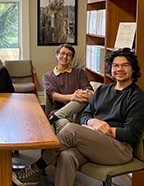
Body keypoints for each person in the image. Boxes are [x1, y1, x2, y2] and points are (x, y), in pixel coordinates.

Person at [12, 48, 144, 186]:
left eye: (125, 65)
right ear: (111, 69)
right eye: (115, 65)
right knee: (66, 156)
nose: (120, 69)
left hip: (119, 149)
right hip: (97, 143)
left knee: (71, 130)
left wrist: (103, 129)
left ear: (133, 69)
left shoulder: (137, 97)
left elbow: (131, 133)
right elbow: (86, 115)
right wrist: (94, 122)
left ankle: (36, 168)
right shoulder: (102, 90)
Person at [43, 43, 94, 134]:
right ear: (56, 55)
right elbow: (53, 95)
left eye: (69, 55)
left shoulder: (79, 72)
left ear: (72, 58)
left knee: (82, 98)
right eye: (62, 53)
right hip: (60, 111)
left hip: (78, 112)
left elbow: (88, 89)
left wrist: (84, 94)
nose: (65, 57)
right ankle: (63, 148)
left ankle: (54, 117)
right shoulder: (48, 76)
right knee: (65, 125)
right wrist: (72, 97)